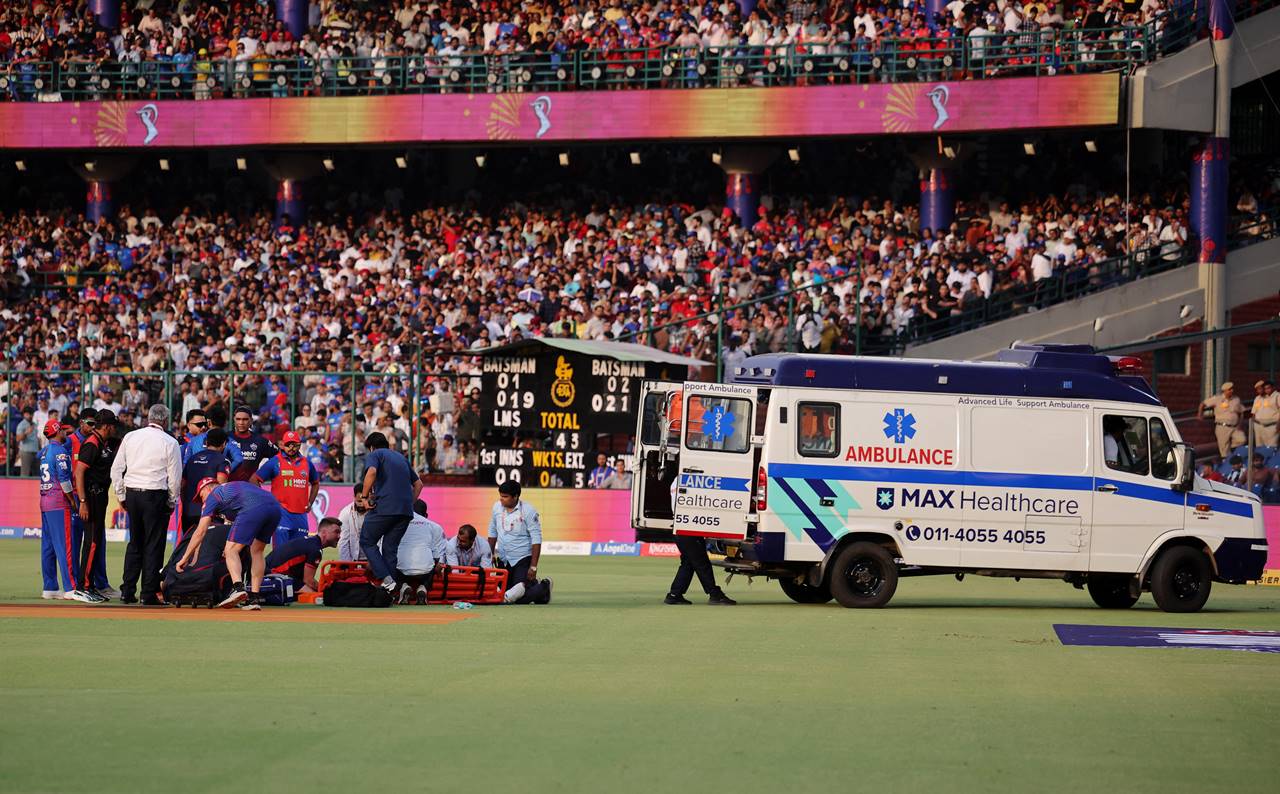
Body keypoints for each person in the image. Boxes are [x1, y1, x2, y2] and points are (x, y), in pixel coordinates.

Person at [111, 404, 182, 605]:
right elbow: (174, 478)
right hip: (155, 494)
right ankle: (148, 593)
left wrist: (121, 494)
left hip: (133, 493)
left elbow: (116, 469)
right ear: (165, 420)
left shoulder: (131, 437)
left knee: (135, 542)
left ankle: (127, 590)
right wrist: (171, 501)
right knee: (154, 545)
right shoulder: (170, 441)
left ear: (148, 417)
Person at [177, 479, 283, 610]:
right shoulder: (230, 490)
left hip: (252, 507)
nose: (202, 501)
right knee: (257, 551)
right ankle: (254, 598)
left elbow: (200, 531)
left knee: (230, 551)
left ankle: (238, 588)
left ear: (207, 488)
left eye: (201, 496)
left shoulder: (213, 495)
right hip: (274, 507)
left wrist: (184, 557)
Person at [39, 420, 99, 603]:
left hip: (45, 500)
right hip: (59, 502)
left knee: (48, 546)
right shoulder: (60, 453)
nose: (66, 431)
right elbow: (65, 481)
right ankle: (71, 588)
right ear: (57, 432)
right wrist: (73, 500)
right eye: (62, 429)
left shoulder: (45, 452)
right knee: (65, 546)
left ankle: (50, 587)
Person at [358, 432, 422, 593]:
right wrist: (408, 503)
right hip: (405, 511)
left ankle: (386, 580)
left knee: (367, 540)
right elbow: (419, 484)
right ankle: (391, 591)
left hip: (385, 506)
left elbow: (371, 472)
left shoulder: (376, 454)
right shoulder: (401, 458)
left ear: (371, 447)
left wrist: (364, 497)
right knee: (390, 549)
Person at [665, 479, 735, 605]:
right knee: (701, 563)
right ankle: (714, 594)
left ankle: (674, 594)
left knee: (688, 563)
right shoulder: (691, 480)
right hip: (688, 528)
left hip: (679, 526)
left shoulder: (676, 480)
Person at [74, 408, 119, 600]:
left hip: (98, 496)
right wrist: (83, 502)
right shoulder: (92, 444)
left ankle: (89, 585)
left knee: (95, 541)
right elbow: (79, 472)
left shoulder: (103, 441)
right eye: (113, 426)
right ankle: (82, 587)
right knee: (91, 543)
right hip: (91, 497)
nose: (115, 429)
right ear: (107, 426)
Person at [486, 480, 552, 604]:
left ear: (516, 496)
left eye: (505, 497)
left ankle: (544, 586)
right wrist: (489, 555)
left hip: (522, 559)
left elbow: (536, 538)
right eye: (500, 496)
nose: (501, 499)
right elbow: (492, 531)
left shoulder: (528, 511)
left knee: (518, 598)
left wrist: (533, 567)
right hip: (503, 559)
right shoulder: (496, 508)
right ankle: (535, 588)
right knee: (502, 594)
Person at [251, 430, 319, 547]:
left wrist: (310, 503)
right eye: (288, 444)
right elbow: (254, 479)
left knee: (299, 553)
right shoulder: (275, 461)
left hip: (301, 515)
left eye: (294, 445)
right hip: (281, 513)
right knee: (280, 553)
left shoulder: (307, 463)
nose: (291, 448)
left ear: (299, 445)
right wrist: (264, 499)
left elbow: (316, 483)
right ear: (282, 444)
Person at [179, 427, 232, 542]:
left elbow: (182, 485)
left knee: (188, 547)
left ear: (206, 442)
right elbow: (221, 488)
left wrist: (187, 503)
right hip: (209, 513)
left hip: (189, 511)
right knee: (205, 551)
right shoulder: (223, 460)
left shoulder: (192, 459)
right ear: (224, 444)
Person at [265, 517, 341, 593]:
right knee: (317, 597)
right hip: (272, 575)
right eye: (336, 532)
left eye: (339, 533)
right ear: (324, 532)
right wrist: (327, 591)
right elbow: (309, 581)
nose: (339, 536)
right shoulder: (315, 549)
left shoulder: (311, 542)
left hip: (268, 571)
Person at [395, 499, 447, 604]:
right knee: (432, 563)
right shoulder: (433, 526)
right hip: (425, 571)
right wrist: (436, 564)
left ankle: (403, 586)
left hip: (401, 570)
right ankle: (423, 588)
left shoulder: (396, 523)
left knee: (390, 561)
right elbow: (437, 555)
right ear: (426, 515)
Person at [228, 407, 277, 481]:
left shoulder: (260, 440)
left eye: (245, 419)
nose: (241, 423)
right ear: (234, 420)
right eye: (238, 419)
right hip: (228, 488)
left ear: (251, 421)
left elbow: (278, 457)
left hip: (250, 488)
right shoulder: (225, 438)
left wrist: (261, 474)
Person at [1198, 381, 1245, 459]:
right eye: (1229, 389)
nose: (1232, 391)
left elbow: (1241, 412)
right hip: (1222, 426)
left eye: (1232, 389)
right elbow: (1203, 404)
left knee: (1241, 439)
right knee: (1224, 447)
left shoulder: (1236, 399)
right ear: (1225, 391)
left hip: (1234, 426)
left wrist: (1240, 423)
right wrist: (1200, 414)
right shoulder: (1217, 399)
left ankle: (1232, 451)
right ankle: (1226, 461)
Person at [337, 484, 370, 561]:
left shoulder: (376, 512)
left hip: (373, 559)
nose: (361, 504)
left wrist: (377, 561)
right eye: (359, 501)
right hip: (354, 559)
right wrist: (346, 564)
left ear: (369, 497)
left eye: (363, 501)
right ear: (354, 497)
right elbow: (343, 541)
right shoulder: (345, 513)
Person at [1252, 380, 1280, 448]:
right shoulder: (1258, 398)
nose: (1259, 390)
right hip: (1259, 425)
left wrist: (1279, 424)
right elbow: (1254, 413)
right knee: (1259, 446)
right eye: (1258, 389)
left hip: (1272, 425)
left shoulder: (1276, 396)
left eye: (1261, 388)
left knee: (1271, 446)